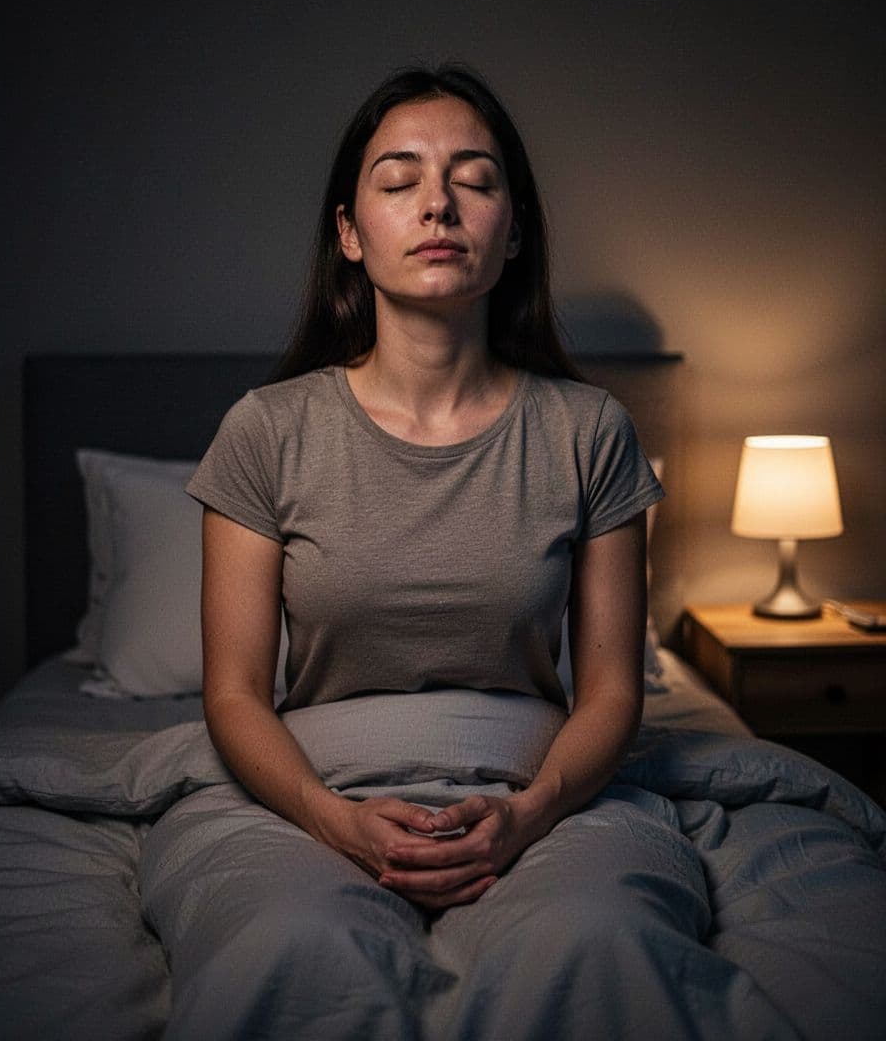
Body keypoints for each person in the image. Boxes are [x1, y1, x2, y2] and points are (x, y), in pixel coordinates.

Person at [140, 66, 785, 1039]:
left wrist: (529, 814)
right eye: (399, 180)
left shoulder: (588, 430)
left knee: (596, 942)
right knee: (293, 949)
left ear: (512, 231)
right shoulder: (266, 429)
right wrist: (330, 819)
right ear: (349, 232)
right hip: (311, 790)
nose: (437, 203)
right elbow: (233, 695)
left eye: (473, 179)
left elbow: (612, 690)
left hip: (540, 791)